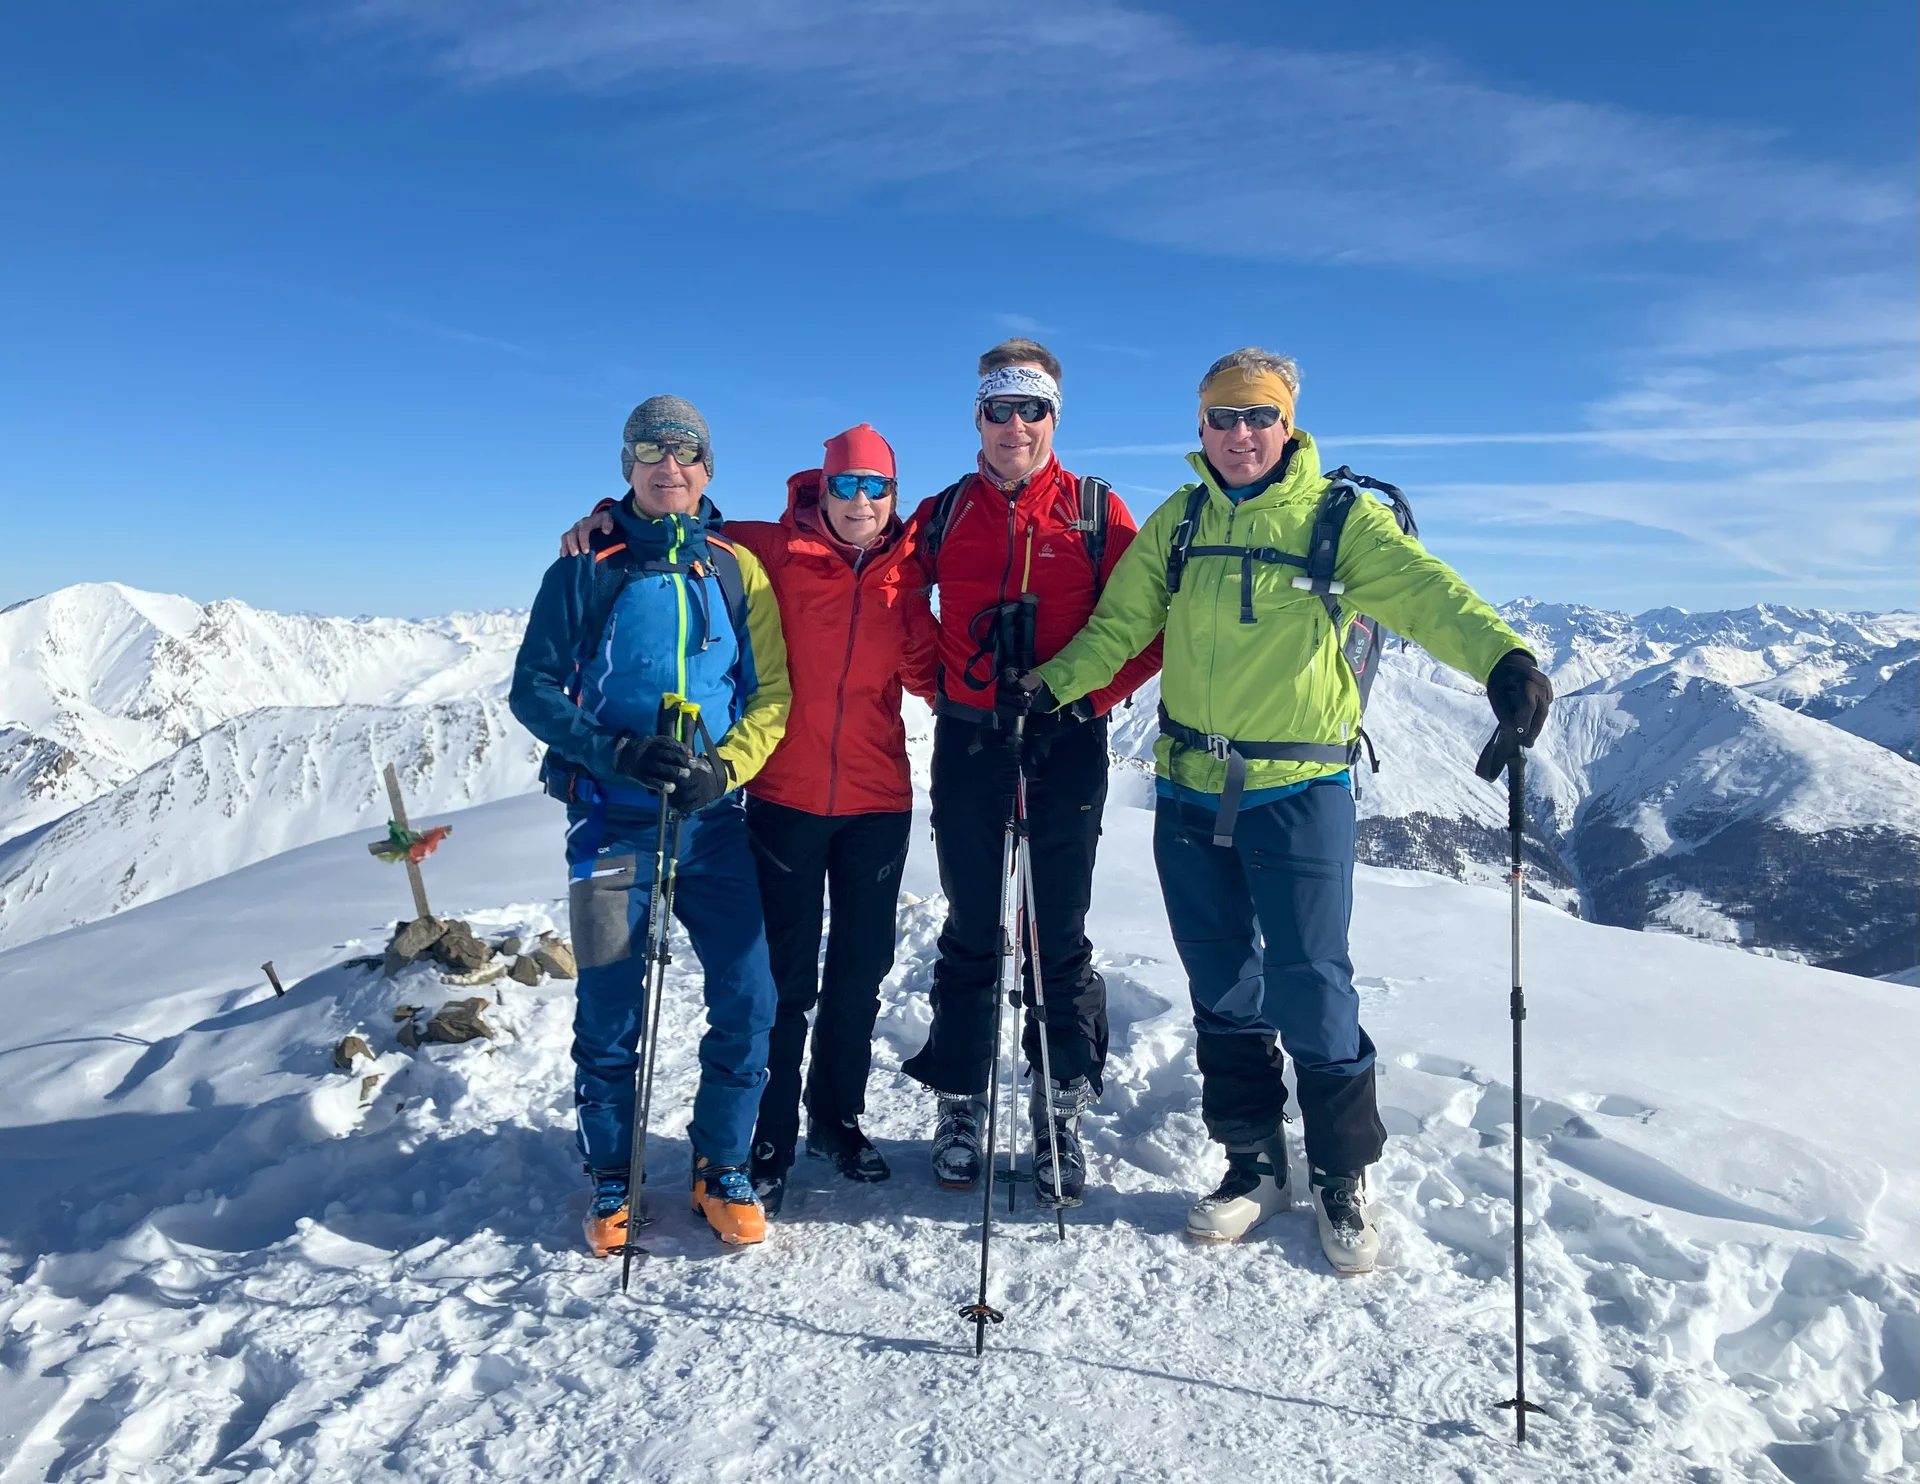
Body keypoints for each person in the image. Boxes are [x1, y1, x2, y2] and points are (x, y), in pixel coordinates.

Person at [1018, 348, 1551, 1273]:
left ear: (1288, 423)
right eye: (1222, 418)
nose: (1239, 435)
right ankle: (1252, 1161)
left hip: (1299, 790)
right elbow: (1118, 626)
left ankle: (1343, 1175)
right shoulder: (1179, 524)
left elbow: (1429, 595)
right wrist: (1055, 687)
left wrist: (1503, 659)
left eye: (1257, 417)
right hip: (1187, 786)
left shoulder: (1339, 521)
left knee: (1312, 981)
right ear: (1200, 428)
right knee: (1221, 980)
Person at [559, 425, 939, 1220]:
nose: (860, 500)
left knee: (860, 973)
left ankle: (836, 1121)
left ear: (895, 496)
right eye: (846, 484)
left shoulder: (912, 564)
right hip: (783, 795)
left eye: (876, 487)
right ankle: (763, 1141)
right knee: (784, 979)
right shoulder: (763, 548)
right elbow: (668, 520)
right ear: (821, 487)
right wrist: (602, 513)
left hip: (878, 799)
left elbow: (928, 662)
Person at [511, 395, 791, 1252]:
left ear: (708, 469)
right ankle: (610, 1173)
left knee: (749, 996)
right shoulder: (582, 570)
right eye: (650, 451)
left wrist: (723, 768)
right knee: (606, 1004)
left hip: (713, 826)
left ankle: (721, 1165)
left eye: (687, 453)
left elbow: (771, 695)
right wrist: (614, 753)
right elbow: (533, 690)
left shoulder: (737, 570)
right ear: (626, 466)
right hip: (611, 822)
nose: (670, 467)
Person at [901, 339, 1161, 1207]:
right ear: (977, 417)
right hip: (973, 737)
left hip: (1064, 742)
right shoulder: (942, 514)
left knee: (1058, 930)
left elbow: (1147, 623)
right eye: (999, 408)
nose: (1016, 425)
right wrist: (937, 683)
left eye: (1033, 408)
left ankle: (1060, 1106)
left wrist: (1087, 702)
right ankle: (962, 1100)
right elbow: (893, 594)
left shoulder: (1094, 510)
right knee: (973, 924)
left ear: (1056, 416)